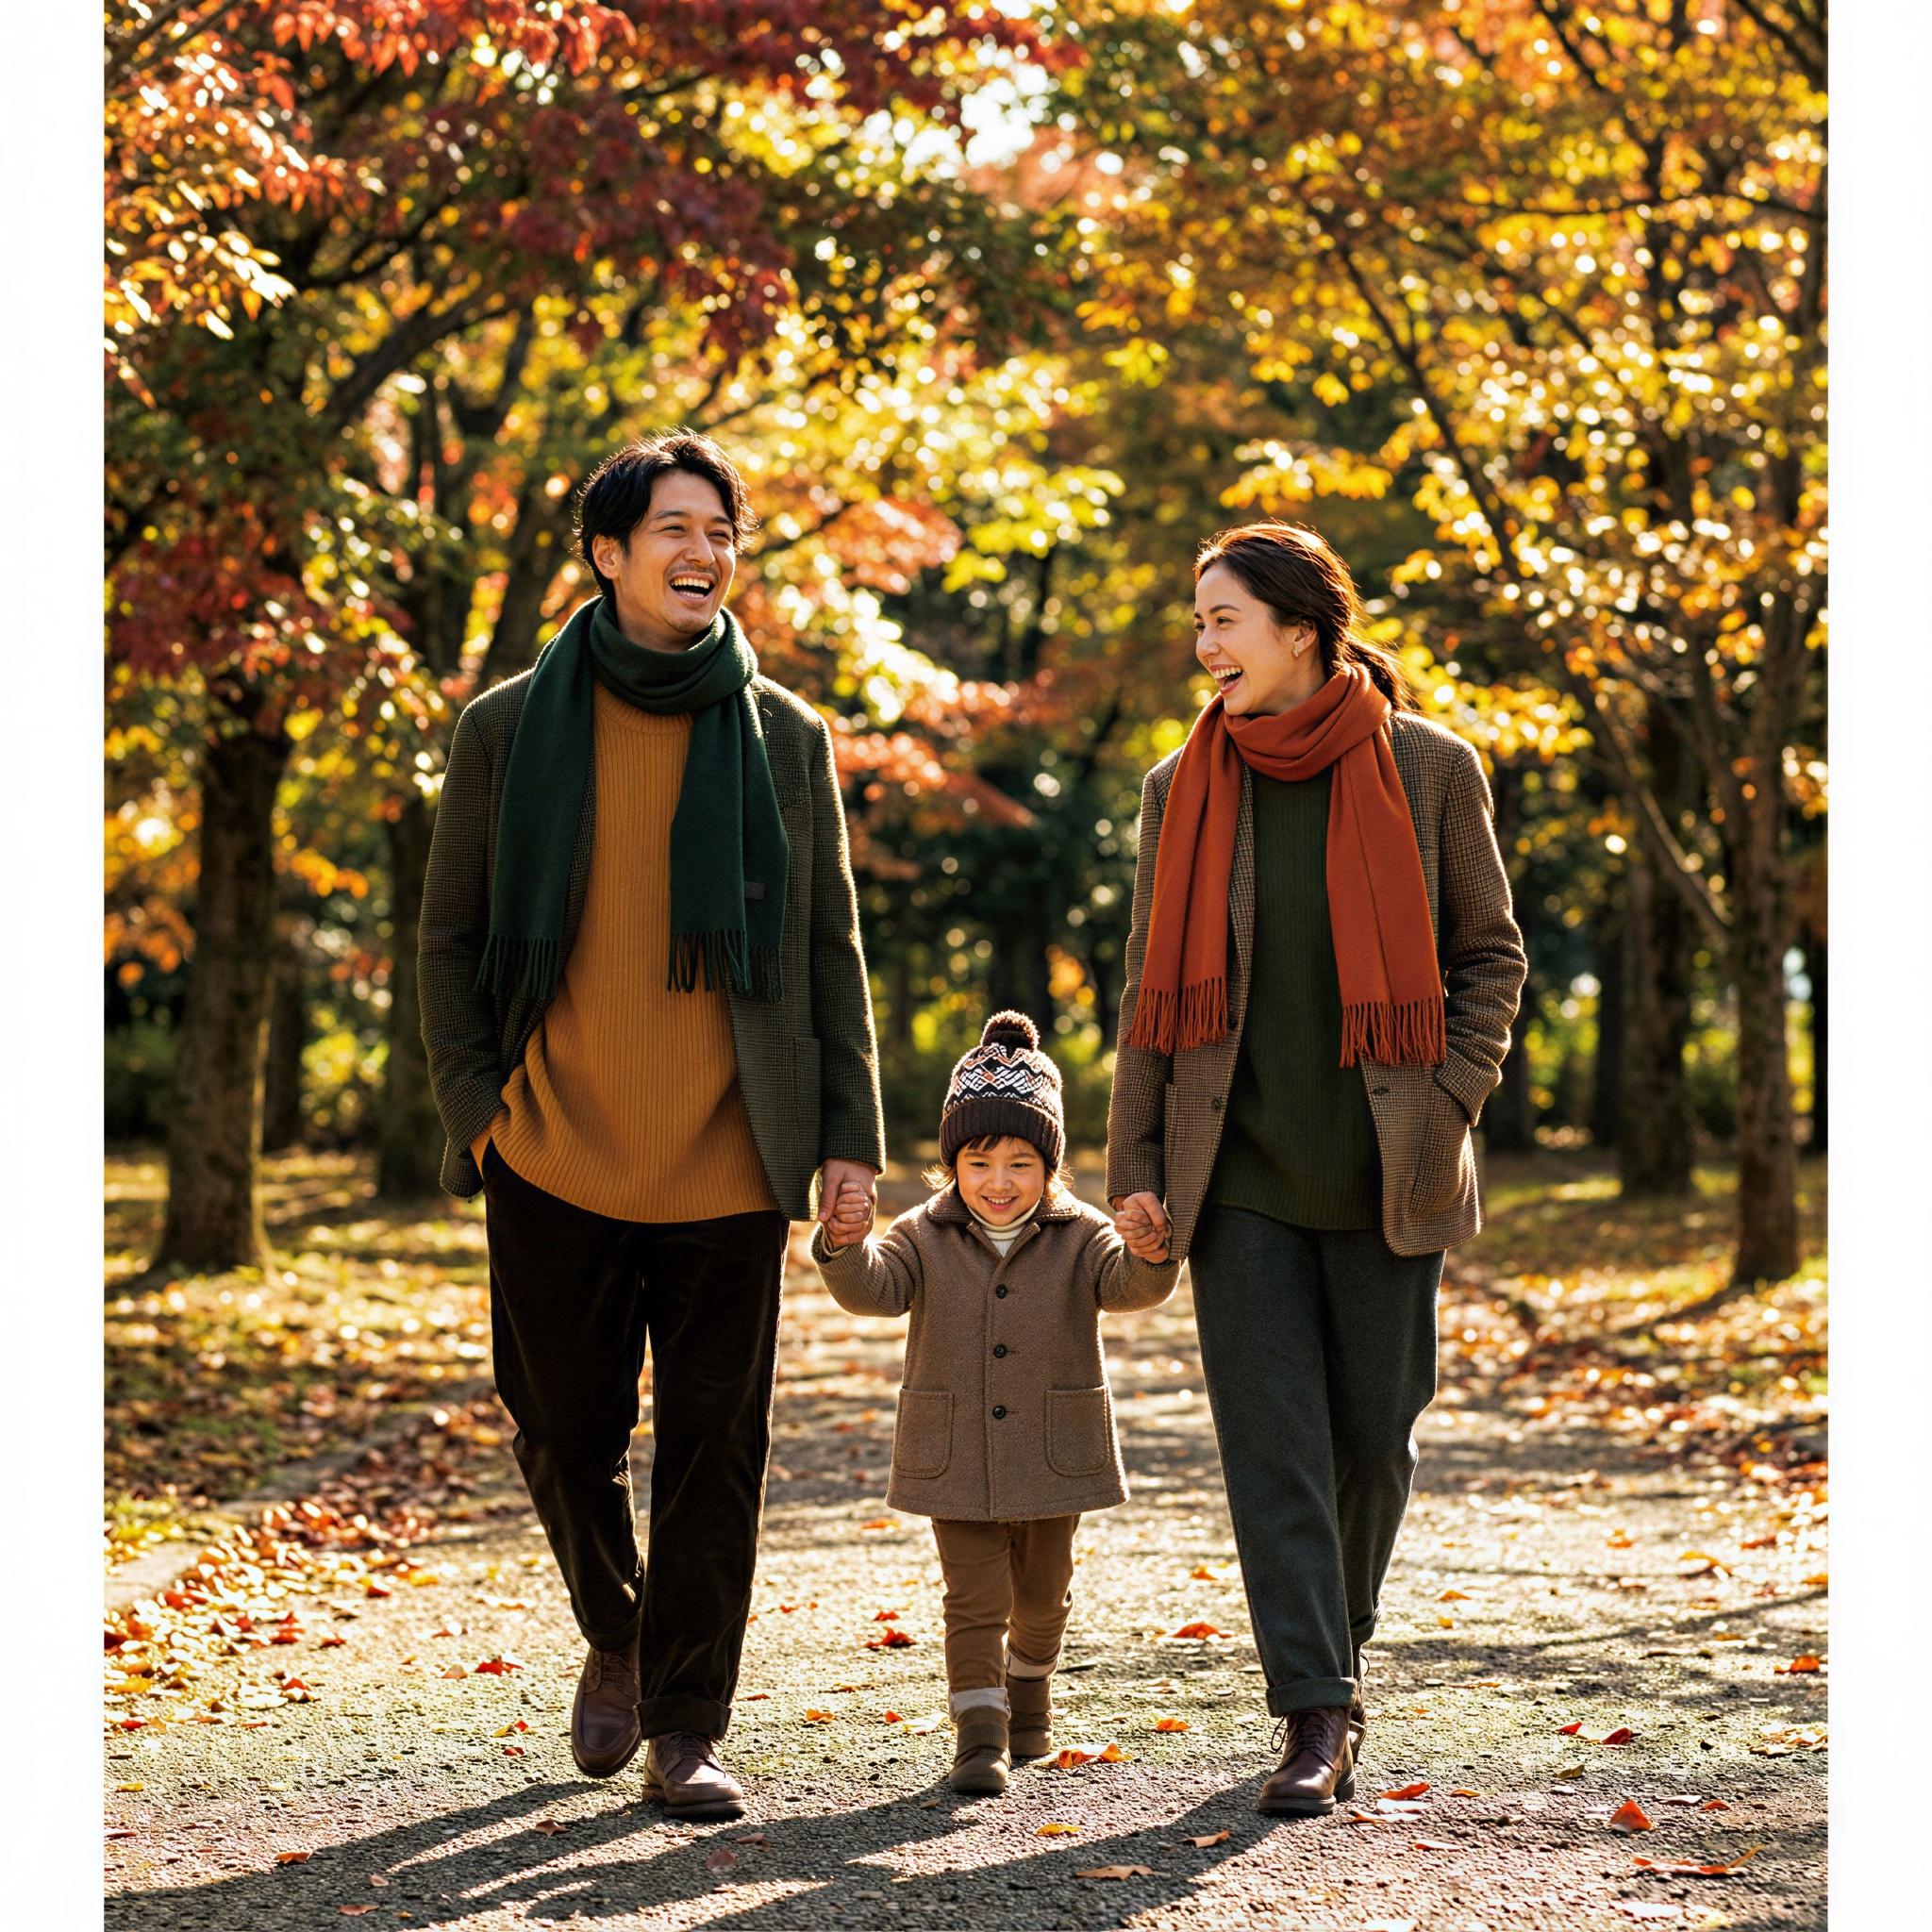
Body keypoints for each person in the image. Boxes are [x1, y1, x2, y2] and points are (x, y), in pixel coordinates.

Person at [417, 430, 884, 1821]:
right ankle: (616, 1625)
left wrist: (845, 1137)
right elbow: (447, 942)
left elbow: (828, 949)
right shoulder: (507, 726)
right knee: (557, 1428)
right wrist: (480, 1115)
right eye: (674, 529)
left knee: (714, 1451)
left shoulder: (785, 738)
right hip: (551, 1145)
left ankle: (686, 1723)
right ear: (608, 554)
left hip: (731, 1152)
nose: (704, 554)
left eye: (721, 533)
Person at [1107, 521, 1525, 1817]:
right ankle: (1313, 1707)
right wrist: (1135, 1162)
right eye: (1197, 622)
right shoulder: (1184, 787)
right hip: (1235, 1174)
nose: (1203, 645)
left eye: (1224, 619)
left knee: (1372, 1445)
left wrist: (1451, 1096)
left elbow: (1489, 958)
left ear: (1302, 628)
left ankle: (1333, 1647)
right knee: (1272, 1445)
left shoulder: (1433, 769)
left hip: (1389, 1171)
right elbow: (1146, 994)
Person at [813, 1011, 1177, 1796]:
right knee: (973, 1597)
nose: (1000, 1183)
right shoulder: (922, 1232)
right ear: (953, 1165)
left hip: (1055, 1448)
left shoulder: (1082, 1236)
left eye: (1021, 1162)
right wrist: (845, 1246)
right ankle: (979, 1735)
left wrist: (1152, 1250)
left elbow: (1131, 1285)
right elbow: (876, 1290)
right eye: (980, 1163)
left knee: (1042, 1597)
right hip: (957, 1452)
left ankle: (1030, 1688)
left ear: (1050, 1165)